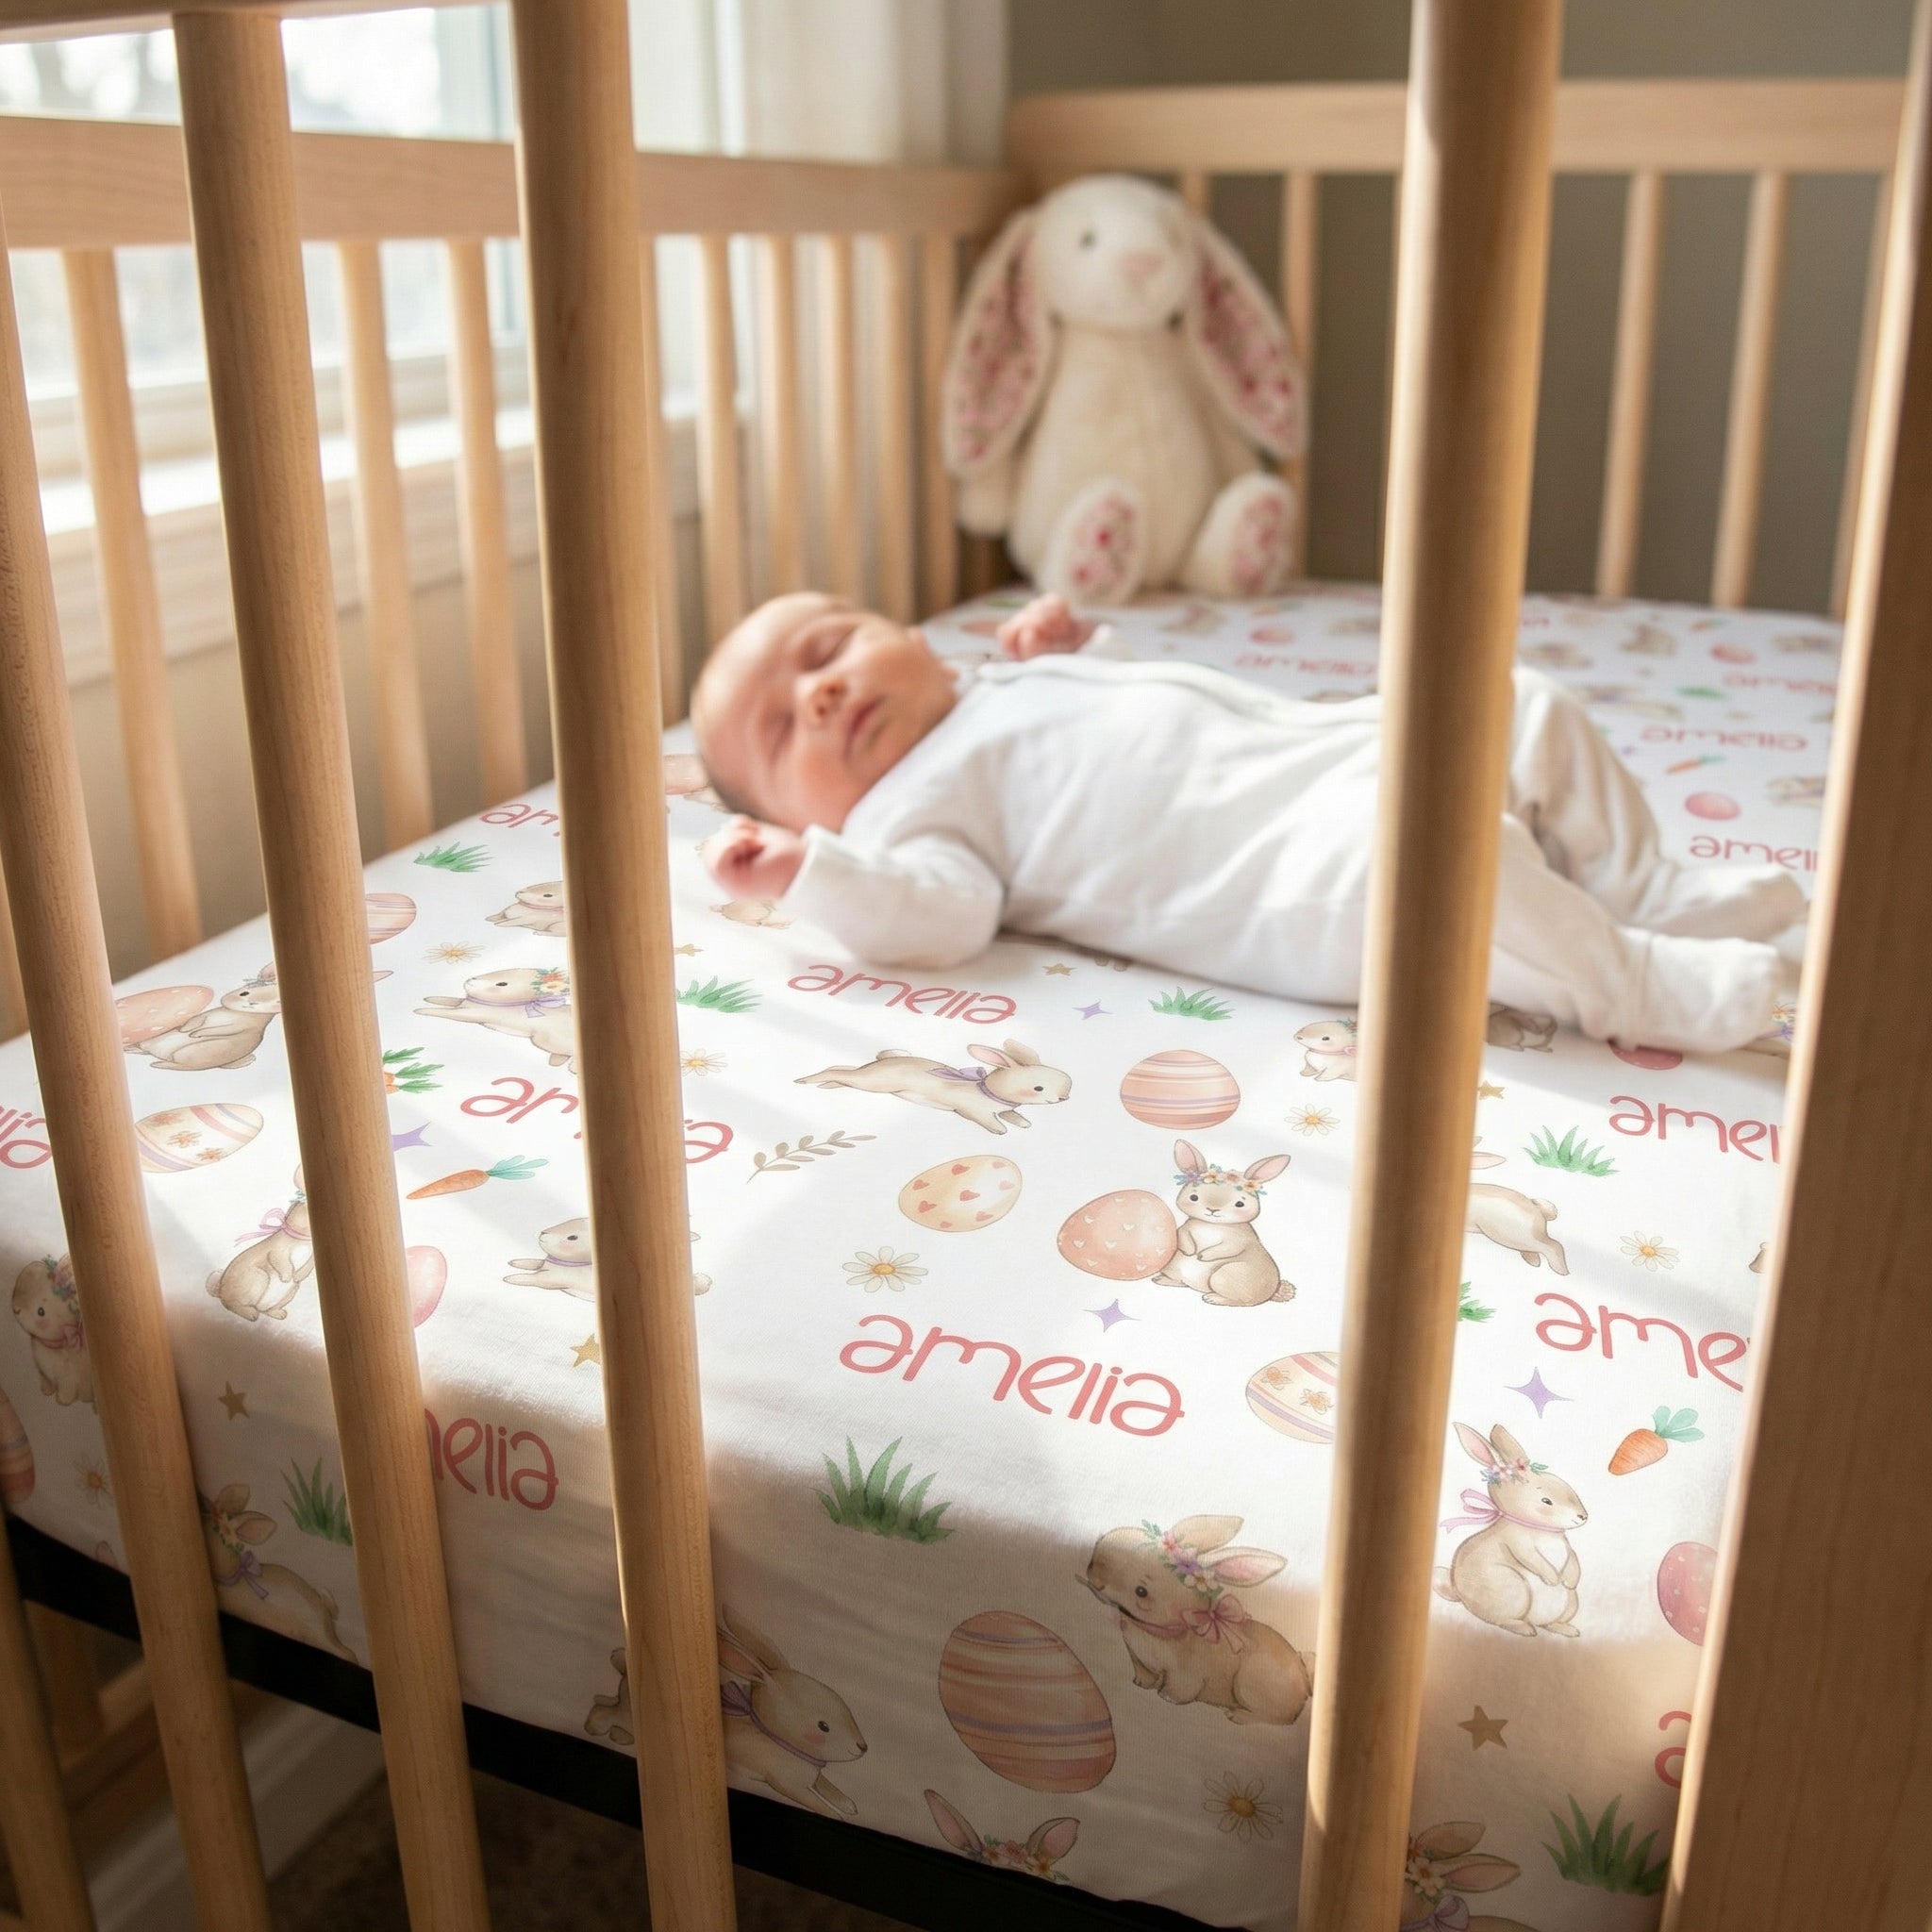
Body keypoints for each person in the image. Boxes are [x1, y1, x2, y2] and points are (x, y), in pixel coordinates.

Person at [691, 591, 1803, 1055]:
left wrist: (1088, 651)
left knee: (1516, 702)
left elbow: (1157, 714)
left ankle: (1638, 886)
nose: (819, 694)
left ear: (914, 636)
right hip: (1289, 869)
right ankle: (1630, 983)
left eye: (827, 649)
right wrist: (809, 873)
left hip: (1326, 752)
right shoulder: (906, 822)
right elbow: (939, 916)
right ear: (797, 815)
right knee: (1453, 863)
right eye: (781, 731)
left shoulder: (995, 685)